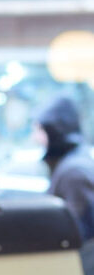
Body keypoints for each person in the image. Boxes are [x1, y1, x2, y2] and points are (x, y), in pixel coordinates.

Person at [36, 94, 94, 242]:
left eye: (40, 130)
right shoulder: (72, 162)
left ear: (53, 131)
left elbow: (77, 233)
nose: (35, 138)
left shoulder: (74, 172)